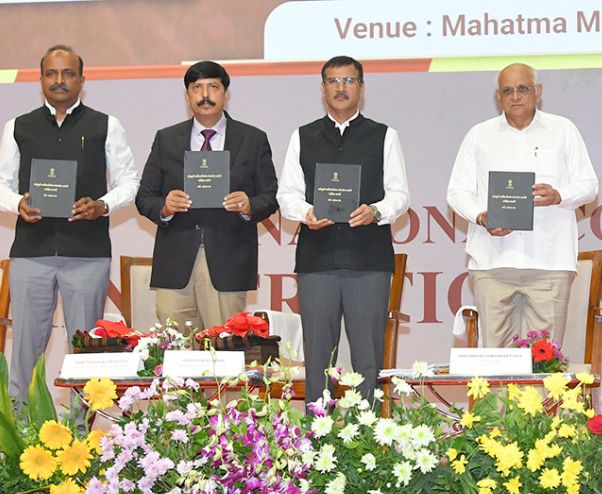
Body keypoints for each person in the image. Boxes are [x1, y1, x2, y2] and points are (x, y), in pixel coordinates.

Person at [0, 45, 139, 403]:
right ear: (41, 78)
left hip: (87, 255)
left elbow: (129, 181)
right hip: (31, 253)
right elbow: (1, 182)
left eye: (68, 73)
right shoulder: (18, 126)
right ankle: (21, 443)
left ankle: (83, 444)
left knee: (85, 358)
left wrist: (102, 205)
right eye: (51, 73)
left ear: (82, 79)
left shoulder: (106, 125)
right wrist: (18, 203)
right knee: (25, 355)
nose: (59, 80)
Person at [276, 55, 410, 404]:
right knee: (319, 357)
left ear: (361, 88)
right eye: (333, 81)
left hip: (368, 261)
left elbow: (400, 194)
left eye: (348, 81)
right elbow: (286, 194)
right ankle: (317, 440)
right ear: (323, 89)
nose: (340, 88)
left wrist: (376, 211)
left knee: (368, 358)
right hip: (317, 261)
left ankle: (365, 440)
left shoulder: (384, 135)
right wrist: (306, 213)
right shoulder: (303, 135)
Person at [447, 63, 598, 348]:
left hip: (549, 260)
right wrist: (481, 216)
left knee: (545, 361)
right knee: (495, 362)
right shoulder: (479, 135)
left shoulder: (563, 130)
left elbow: (589, 186)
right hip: (493, 263)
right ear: (498, 97)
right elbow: (456, 193)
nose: (515, 96)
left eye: (523, 88)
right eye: (507, 90)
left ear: (538, 92)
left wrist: (559, 195)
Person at [135, 60, 279, 330]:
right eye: (196, 87)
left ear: (225, 93)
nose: (204, 95)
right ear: (187, 95)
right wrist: (164, 208)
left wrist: (249, 206)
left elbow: (269, 196)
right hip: (176, 261)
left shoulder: (252, 138)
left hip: (228, 259)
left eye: (213, 87)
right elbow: (145, 197)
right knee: (175, 352)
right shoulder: (166, 138)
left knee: (224, 353)